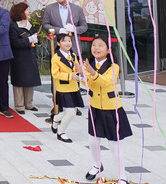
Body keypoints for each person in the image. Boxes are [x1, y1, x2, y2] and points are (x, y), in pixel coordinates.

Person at [82, 35, 132, 183]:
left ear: (108, 50)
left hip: (111, 109)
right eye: (94, 45)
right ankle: (97, 165)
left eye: (100, 45)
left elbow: (105, 82)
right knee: (92, 141)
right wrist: (81, 75)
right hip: (95, 108)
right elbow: (89, 84)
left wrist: (91, 72)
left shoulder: (114, 67)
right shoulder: (90, 64)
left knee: (114, 144)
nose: (96, 48)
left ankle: (122, 176)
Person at [51, 33, 84, 143]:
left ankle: (56, 119)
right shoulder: (56, 58)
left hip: (73, 87)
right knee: (71, 112)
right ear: (58, 43)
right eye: (64, 41)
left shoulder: (73, 55)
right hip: (63, 88)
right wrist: (70, 76)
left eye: (69, 41)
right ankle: (61, 132)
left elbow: (77, 69)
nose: (67, 43)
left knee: (71, 111)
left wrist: (80, 72)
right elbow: (55, 74)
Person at [8, 2, 41, 114]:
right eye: (27, 10)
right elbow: (14, 42)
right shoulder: (13, 25)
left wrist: (36, 40)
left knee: (30, 80)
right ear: (21, 12)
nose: (29, 12)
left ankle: (29, 103)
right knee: (19, 81)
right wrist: (29, 40)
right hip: (19, 58)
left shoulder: (30, 24)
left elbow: (34, 38)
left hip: (30, 56)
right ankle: (19, 105)